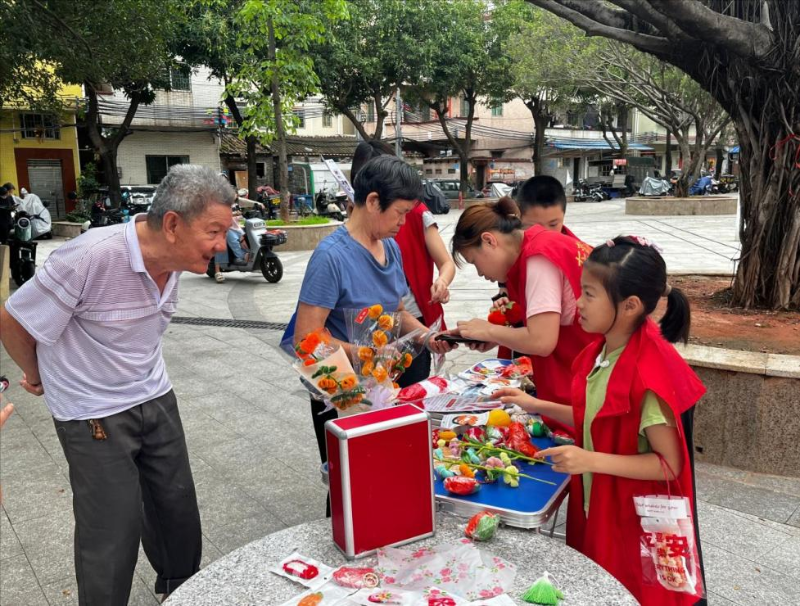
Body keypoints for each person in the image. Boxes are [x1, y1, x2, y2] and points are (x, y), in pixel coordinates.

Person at [0, 164, 236, 605]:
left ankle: (180, 594)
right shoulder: (91, 256)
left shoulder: (176, 258)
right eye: (214, 231)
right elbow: (13, 317)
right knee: (113, 528)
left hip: (153, 393)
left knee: (177, 512)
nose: (222, 245)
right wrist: (36, 375)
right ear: (171, 224)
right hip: (92, 410)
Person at [495, 236, 706, 605]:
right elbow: (594, 417)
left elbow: (669, 465)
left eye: (589, 295)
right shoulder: (604, 350)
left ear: (630, 306)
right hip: (601, 503)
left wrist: (590, 460)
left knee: (628, 591)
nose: (578, 304)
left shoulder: (648, 374)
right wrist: (534, 403)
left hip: (631, 518)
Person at [288, 155, 454, 468]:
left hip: (378, 382)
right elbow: (306, 339)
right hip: (338, 386)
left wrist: (428, 337)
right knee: (347, 479)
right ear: (374, 201)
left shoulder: (390, 247)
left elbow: (398, 311)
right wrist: (363, 353)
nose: (404, 223)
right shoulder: (330, 258)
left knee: (385, 468)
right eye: (400, 213)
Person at [451, 197, 594, 433]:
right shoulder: (538, 242)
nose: (479, 273)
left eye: (475, 261)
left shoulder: (538, 257)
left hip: (588, 377)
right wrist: (496, 337)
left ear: (489, 241)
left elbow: (542, 341)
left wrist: (489, 330)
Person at [350, 141, 456, 386]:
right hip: (365, 341)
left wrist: (441, 283)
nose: (402, 222)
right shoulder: (338, 249)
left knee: (408, 397)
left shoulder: (408, 224)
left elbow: (445, 263)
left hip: (411, 322)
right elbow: (308, 336)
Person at [493, 176, 583, 359]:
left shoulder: (568, 252)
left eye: (553, 224)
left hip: (565, 357)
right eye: (534, 227)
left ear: (564, 216)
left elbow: (542, 340)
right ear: (518, 218)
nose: (544, 235)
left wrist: (490, 333)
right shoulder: (517, 251)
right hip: (527, 344)